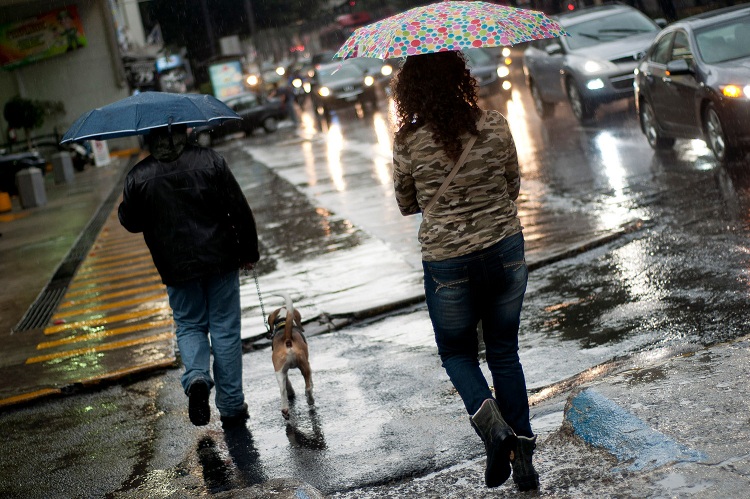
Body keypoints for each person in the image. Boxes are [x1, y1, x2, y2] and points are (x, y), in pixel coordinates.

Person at [391, 50, 539, 492]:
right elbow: (512, 184)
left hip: (448, 264)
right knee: (504, 353)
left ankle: (495, 431)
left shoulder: (408, 142)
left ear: (411, 90)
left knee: (457, 354)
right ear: (461, 79)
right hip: (505, 251)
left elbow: (406, 203)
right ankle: (525, 460)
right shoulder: (494, 124)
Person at [118, 124, 259, 429]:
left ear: (149, 137)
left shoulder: (138, 176)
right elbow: (238, 207)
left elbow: (130, 221)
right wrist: (248, 251)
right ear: (184, 130)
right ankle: (232, 406)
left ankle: (196, 376)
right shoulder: (210, 160)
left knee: (189, 324)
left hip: (175, 266)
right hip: (220, 258)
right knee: (224, 328)